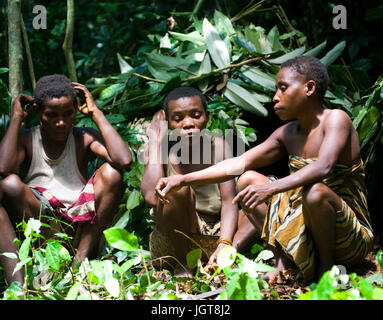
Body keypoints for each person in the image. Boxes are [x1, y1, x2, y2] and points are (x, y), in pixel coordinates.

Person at [155, 57, 374, 282]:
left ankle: (325, 269)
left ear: (309, 88)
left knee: (314, 192)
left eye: (283, 88)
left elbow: (323, 167)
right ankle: (285, 262)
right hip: (307, 233)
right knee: (248, 179)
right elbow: (237, 164)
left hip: (348, 237)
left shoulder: (336, 119)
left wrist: (271, 189)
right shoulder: (287, 133)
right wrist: (182, 180)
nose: (275, 97)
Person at [0, 74, 132, 286]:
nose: (61, 123)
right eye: (51, 115)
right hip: (45, 232)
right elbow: (4, 169)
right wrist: (16, 119)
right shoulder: (27, 139)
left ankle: (80, 265)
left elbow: (123, 160)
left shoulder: (84, 137)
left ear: (76, 111)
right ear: (37, 112)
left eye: (68, 114)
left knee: (113, 173)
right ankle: (20, 286)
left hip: (83, 232)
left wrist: (96, 113)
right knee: (9, 185)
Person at [141, 87, 257, 276]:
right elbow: (150, 197)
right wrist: (155, 143)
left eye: (195, 115)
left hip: (216, 235)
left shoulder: (219, 146)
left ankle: (227, 254)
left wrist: (225, 242)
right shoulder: (160, 149)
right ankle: (186, 265)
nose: (188, 124)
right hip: (173, 243)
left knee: (257, 191)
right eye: (178, 119)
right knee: (175, 188)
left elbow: (229, 200)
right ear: (168, 123)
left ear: (207, 117)